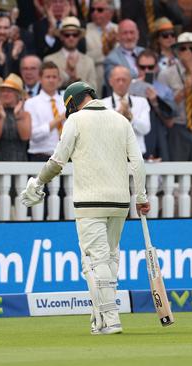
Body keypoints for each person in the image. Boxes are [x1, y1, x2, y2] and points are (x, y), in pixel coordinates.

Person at [19, 81, 149, 335]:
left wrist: (38, 182)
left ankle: (110, 318)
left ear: (71, 102)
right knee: (110, 257)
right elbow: (138, 162)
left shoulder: (75, 120)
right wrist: (141, 197)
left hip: (90, 201)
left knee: (94, 261)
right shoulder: (121, 120)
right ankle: (99, 315)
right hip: (120, 202)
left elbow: (57, 161)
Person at [158, 32, 192, 161]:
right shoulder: (166, 74)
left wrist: (191, 68)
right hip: (177, 128)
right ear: (177, 52)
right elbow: (164, 107)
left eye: (191, 49)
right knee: (178, 173)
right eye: (183, 48)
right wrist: (184, 91)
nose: (187, 52)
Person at [102, 65, 151, 155]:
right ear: (110, 82)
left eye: (124, 80)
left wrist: (131, 119)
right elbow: (101, 132)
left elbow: (146, 129)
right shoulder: (102, 104)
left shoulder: (141, 102)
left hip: (136, 155)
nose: (121, 83)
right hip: (111, 155)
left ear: (129, 82)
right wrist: (118, 117)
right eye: (117, 80)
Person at [0, 73, 31, 161]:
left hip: (20, 163)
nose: (5, 94)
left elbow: (25, 137)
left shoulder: (25, 115)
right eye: (3, 91)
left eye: (9, 91)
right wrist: (1, 118)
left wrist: (17, 116)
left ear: (18, 95)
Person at [24, 61, 65, 161]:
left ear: (59, 79)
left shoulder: (66, 102)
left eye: (54, 77)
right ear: (40, 79)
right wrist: (58, 120)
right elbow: (33, 135)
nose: (51, 80)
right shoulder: (31, 103)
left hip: (66, 157)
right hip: (41, 156)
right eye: (48, 77)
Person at [44, 16, 97, 90]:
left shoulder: (89, 61)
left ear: (79, 37)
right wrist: (67, 75)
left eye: (75, 35)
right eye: (67, 35)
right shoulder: (49, 60)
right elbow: (47, 86)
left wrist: (77, 80)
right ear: (61, 37)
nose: (71, 38)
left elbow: (94, 88)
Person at [103, 19, 145, 96]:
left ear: (138, 34)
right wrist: (140, 76)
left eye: (132, 32)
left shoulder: (144, 52)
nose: (129, 37)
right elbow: (116, 84)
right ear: (118, 36)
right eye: (125, 33)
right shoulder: (111, 59)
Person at [85, 0, 118, 97]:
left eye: (100, 10)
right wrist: (107, 49)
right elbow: (85, 57)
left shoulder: (120, 30)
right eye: (92, 10)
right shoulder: (84, 30)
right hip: (95, 80)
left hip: (116, 80)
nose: (95, 13)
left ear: (111, 12)